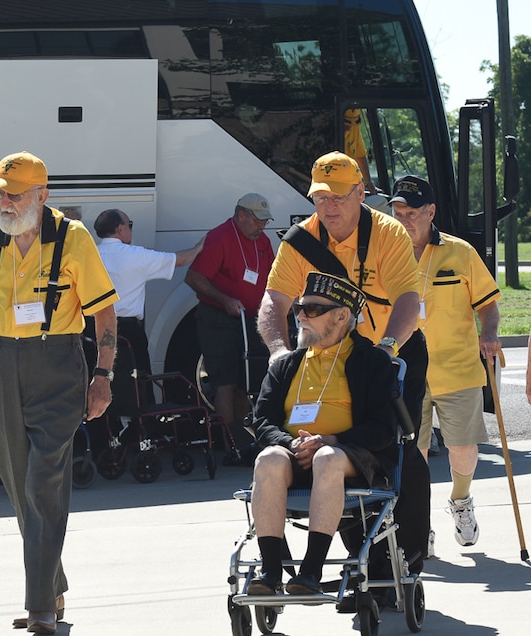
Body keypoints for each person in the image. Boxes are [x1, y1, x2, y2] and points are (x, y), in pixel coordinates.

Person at [0, 151, 119, 636]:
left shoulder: (74, 238)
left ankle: (40, 606)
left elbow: (105, 314)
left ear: (42, 195)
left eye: (14, 193)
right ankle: (54, 583)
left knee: (41, 482)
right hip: (2, 365)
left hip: (58, 364)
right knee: (17, 483)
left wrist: (103, 374)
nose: (4, 202)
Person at [257, 150, 430, 573]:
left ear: (360, 193)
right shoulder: (301, 239)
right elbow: (273, 301)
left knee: (397, 448)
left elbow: (409, 298)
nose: (328, 207)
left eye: (338, 197)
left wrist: (386, 349)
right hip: (327, 355)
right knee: (328, 445)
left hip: (388, 350)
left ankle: (401, 554)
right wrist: (281, 354)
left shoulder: (388, 232)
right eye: (320, 198)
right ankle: (359, 556)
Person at [247, 272, 399, 595]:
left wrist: (332, 441)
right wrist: (290, 443)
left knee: (327, 459)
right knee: (268, 459)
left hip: (349, 460)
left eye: (312, 309)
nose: (301, 315)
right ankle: (272, 574)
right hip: (295, 457)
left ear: (342, 316)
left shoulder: (371, 361)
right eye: (300, 307)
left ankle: (310, 573)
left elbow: (384, 429)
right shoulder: (287, 365)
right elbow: (261, 420)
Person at [389, 174, 501, 549]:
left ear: (431, 212)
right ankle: (418, 522)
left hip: (458, 367)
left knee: (464, 448)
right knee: (413, 451)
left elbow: (488, 304)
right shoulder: (387, 254)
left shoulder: (461, 252)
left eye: (411, 212)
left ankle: (461, 500)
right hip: (405, 371)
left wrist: (489, 334)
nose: (403, 218)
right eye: (397, 211)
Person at [184, 193, 276, 451]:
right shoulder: (220, 237)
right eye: (258, 220)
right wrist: (224, 300)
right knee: (225, 382)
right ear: (241, 215)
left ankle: (248, 439)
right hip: (218, 317)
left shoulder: (263, 241)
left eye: (265, 221)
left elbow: (272, 277)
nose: (262, 225)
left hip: (250, 318)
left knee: (248, 382)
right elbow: (193, 277)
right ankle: (230, 444)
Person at [92, 208, 203, 376]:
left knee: (97, 379)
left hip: (94, 330)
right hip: (127, 332)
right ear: (120, 229)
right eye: (129, 225)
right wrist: (198, 248)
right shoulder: (136, 255)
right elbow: (178, 260)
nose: (130, 229)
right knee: (137, 388)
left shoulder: (90, 254)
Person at [343, 108, 376, 194]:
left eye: (355, 122)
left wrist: (370, 184)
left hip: (350, 189)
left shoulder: (354, 128)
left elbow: (360, 156)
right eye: (347, 123)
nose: (350, 127)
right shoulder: (328, 135)